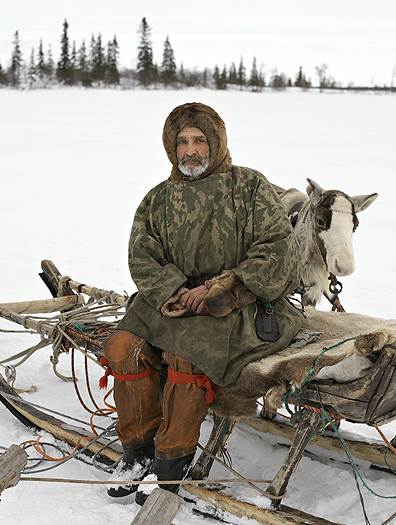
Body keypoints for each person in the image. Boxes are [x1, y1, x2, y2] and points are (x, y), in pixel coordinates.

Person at [101, 102, 304, 504]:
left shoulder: (248, 186)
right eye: (182, 142)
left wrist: (223, 287)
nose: (191, 151)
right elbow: (142, 256)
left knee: (186, 357)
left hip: (237, 305)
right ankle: (137, 450)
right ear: (171, 147)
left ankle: (171, 464)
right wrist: (176, 291)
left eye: (199, 140)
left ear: (216, 142)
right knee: (123, 348)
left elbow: (278, 251)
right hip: (172, 301)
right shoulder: (157, 199)